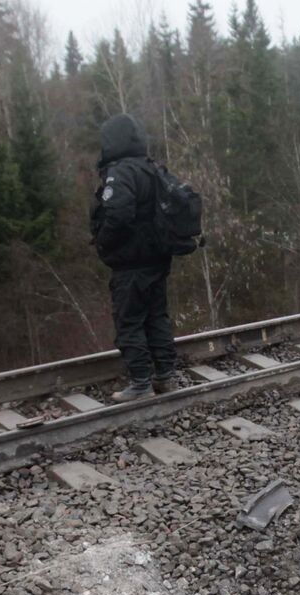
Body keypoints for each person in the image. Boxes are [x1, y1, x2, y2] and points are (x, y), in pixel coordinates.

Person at [91, 113, 178, 402]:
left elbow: (118, 213)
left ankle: (140, 382)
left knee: (129, 321)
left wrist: (103, 243)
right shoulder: (151, 169)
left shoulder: (121, 173)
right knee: (156, 317)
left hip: (131, 264)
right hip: (157, 260)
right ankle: (165, 375)